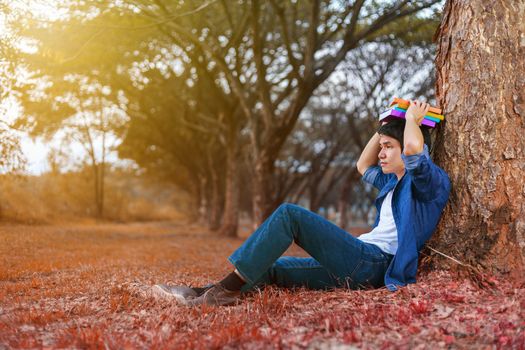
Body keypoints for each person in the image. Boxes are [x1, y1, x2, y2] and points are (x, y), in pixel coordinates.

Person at [152, 100, 451, 306]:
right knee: (272, 267)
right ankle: (200, 293)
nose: (381, 153)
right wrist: (387, 123)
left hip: (374, 265)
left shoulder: (428, 182)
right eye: (382, 147)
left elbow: (412, 147)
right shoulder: (392, 182)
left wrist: (411, 119)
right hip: (358, 264)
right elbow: (362, 164)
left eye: (388, 148)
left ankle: (224, 292)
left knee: (289, 215)